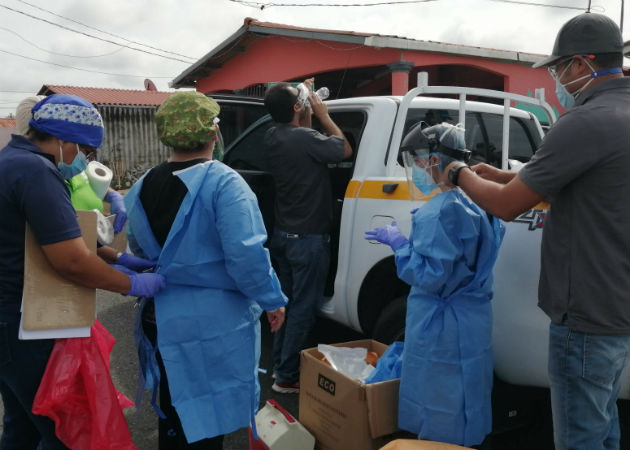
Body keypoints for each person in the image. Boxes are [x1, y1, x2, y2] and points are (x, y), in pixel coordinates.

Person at [441, 13, 630, 450]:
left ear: (582, 64)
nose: (557, 78)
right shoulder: (619, 115)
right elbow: (578, 179)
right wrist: (505, 174)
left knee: (580, 436)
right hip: (619, 309)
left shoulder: (583, 122)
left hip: (586, 316)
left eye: (559, 67)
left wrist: (459, 173)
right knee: (604, 427)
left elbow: (508, 208)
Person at [0, 93, 166, 450]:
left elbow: (46, 235)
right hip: (24, 324)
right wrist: (130, 283)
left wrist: (116, 257)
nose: (82, 159)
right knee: (62, 432)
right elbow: (70, 259)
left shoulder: (10, 161)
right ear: (63, 140)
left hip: (8, 323)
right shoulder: (35, 171)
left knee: (22, 426)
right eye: (83, 150)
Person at [124, 91, 287, 450]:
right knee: (207, 422)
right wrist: (272, 299)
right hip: (215, 325)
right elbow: (247, 256)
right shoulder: (226, 184)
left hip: (162, 317)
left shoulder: (142, 184)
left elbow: (137, 248)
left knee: (174, 409)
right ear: (215, 133)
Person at [365, 122, 505, 447]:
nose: (415, 171)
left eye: (416, 162)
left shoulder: (438, 213)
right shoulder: (478, 202)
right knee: (468, 395)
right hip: (472, 320)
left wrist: (400, 244)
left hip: (441, 325)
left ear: (433, 160)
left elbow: (430, 276)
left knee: (438, 402)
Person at [263, 78, 352, 393]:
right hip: (308, 240)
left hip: (283, 237)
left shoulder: (273, 136)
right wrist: (324, 114)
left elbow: (302, 133)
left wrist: (304, 105)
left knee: (284, 304)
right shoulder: (304, 138)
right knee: (302, 307)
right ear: (297, 108)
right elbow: (343, 149)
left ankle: (280, 369)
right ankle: (286, 377)